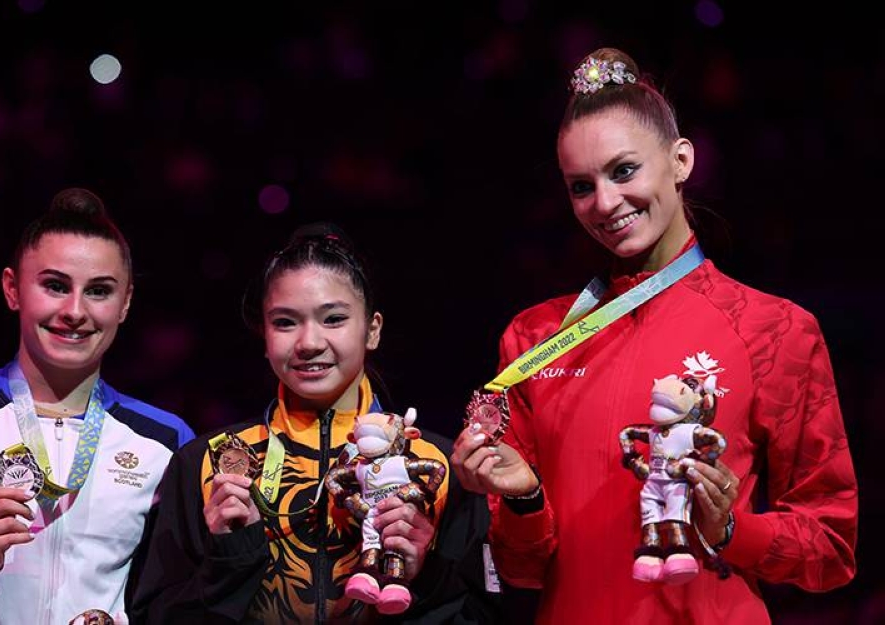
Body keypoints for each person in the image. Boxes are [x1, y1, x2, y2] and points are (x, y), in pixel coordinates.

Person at [451, 47, 857, 624]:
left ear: (681, 160)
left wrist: (730, 528)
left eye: (624, 171)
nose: (606, 202)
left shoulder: (776, 329)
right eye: (580, 186)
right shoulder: (535, 337)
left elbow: (831, 550)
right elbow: (521, 569)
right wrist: (523, 498)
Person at [130, 223, 498, 624]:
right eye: (285, 322)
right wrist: (229, 560)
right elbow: (154, 617)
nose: (308, 342)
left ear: (372, 329)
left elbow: (490, 615)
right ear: (265, 336)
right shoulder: (206, 463)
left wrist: (426, 577)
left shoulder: (442, 467)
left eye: (333, 318)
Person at [0, 188, 195, 623]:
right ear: (13, 289)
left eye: (99, 291)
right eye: (54, 285)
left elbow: (183, 599)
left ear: (125, 303)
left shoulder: (167, 440)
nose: (74, 310)